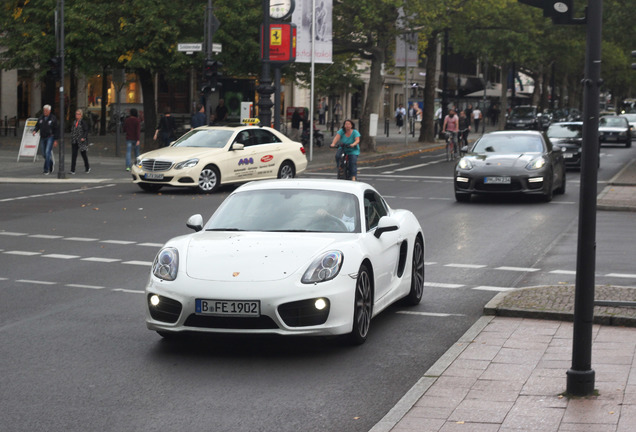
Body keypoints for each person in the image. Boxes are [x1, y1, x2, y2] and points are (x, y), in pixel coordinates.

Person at [33, 104, 59, 175]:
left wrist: (55, 140)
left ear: (49, 111)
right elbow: (37, 125)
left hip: (50, 137)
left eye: (46, 111)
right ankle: (51, 163)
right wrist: (35, 130)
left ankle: (46, 169)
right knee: (44, 154)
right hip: (43, 137)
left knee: (48, 152)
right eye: (44, 110)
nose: (45, 112)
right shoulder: (41, 118)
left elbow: (56, 129)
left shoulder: (53, 118)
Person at [69, 109, 90, 174]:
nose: (77, 115)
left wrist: (84, 137)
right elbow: (72, 130)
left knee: (83, 154)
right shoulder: (74, 122)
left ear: (81, 115)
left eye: (78, 114)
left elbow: (86, 130)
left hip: (81, 141)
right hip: (75, 140)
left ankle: (87, 167)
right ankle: (72, 170)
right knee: (74, 155)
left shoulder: (83, 122)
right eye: (76, 114)